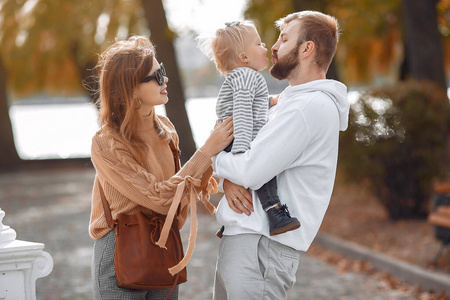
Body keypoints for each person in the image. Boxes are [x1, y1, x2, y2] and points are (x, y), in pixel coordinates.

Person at [211, 11, 350, 299]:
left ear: (306, 48)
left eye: (284, 39)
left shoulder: (306, 108)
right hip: (249, 245)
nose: (273, 47)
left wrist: (216, 160)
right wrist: (228, 178)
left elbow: (249, 170)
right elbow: (240, 149)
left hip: (260, 248)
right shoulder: (289, 102)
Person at [88, 35, 233, 300]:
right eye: (156, 76)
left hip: (165, 246)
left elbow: (180, 194)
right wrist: (206, 151)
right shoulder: (107, 143)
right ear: (131, 87)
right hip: (121, 249)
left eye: (163, 71)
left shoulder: (167, 130)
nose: (165, 79)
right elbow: (158, 197)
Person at [198, 21, 300, 238]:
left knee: (253, 179)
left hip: (233, 137)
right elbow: (243, 112)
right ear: (244, 57)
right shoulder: (245, 76)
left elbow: (251, 105)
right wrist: (244, 150)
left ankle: (230, 222)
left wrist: (272, 102)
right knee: (264, 173)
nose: (266, 47)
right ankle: (275, 213)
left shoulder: (245, 77)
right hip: (236, 138)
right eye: (259, 43)